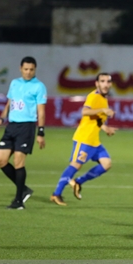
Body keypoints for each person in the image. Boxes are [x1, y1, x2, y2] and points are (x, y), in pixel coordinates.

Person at [50, 73, 118, 206]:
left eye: (108, 81)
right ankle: (56, 194)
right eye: (102, 81)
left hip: (94, 141)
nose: (105, 84)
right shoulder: (94, 96)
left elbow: (96, 118)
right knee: (75, 165)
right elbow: (85, 111)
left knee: (106, 164)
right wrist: (103, 110)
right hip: (84, 139)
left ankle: (78, 182)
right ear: (97, 83)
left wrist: (105, 128)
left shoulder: (104, 99)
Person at [0, 56, 47, 209]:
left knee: (18, 162)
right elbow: (9, 104)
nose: (28, 72)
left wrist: (41, 132)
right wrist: (1, 118)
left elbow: (41, 111)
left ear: (35, 70)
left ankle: (18, 201)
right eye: (26, 69)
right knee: (0, 160)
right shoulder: (14, 83)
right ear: (20, 69)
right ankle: (23, 189)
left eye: (31, 69)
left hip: (26, 127)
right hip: (11, 126)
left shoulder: (39, 86)